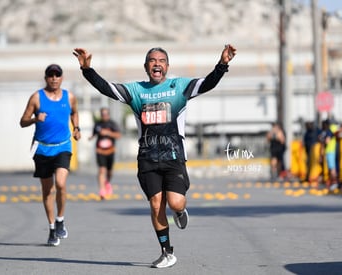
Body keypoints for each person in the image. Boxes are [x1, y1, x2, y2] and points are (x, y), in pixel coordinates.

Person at [73, 44, 236, 268]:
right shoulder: (136, 91)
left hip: (174, 156)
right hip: (147, 158)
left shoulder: (179, 86)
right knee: (156, 204)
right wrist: (87, 70)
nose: (156, 63)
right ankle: (166, 252)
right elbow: (107, 89)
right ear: (146, 66)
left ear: (167, 66)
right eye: (152, 60)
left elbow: (207, 83)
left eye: (160, 60)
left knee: (175, 202)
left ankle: (179, 211)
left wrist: (223, 64)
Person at [20, 64, 81, 246]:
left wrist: (76, 128)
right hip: (42, 149)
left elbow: (75, 113)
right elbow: (22, 121)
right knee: (48, 190)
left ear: (62, 78)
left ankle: (61, 218)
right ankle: (52, 227)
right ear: (46, 78)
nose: (54, 78)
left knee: (61, 184)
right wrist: (34, 119)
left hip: (63, 146)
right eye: (50, 75)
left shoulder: (69, 97)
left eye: (57, 75)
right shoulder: (36, 98)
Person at [89, 107, 121, 200]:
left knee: (109, 172)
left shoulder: (112, 124)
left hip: (110, 151)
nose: (104, 116)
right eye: (103, 114)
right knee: (102, 170)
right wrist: (90, 137)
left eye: (106, 114)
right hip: (100, 151)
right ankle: (102, 190)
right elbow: (94, 133)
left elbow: (118, 135)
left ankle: (107, 182)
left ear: (108, 115)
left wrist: (108, 133)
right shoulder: (97, 124)